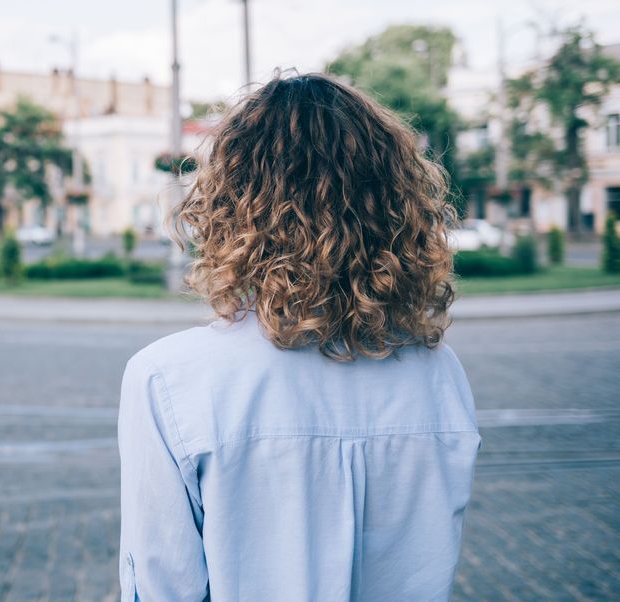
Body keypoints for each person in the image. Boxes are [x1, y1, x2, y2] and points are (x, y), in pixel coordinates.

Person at [118, 73, 479, 601]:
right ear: (395, 202)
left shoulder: (167, 380)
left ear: (229, 205)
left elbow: (161, 586)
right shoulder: (438, 373)